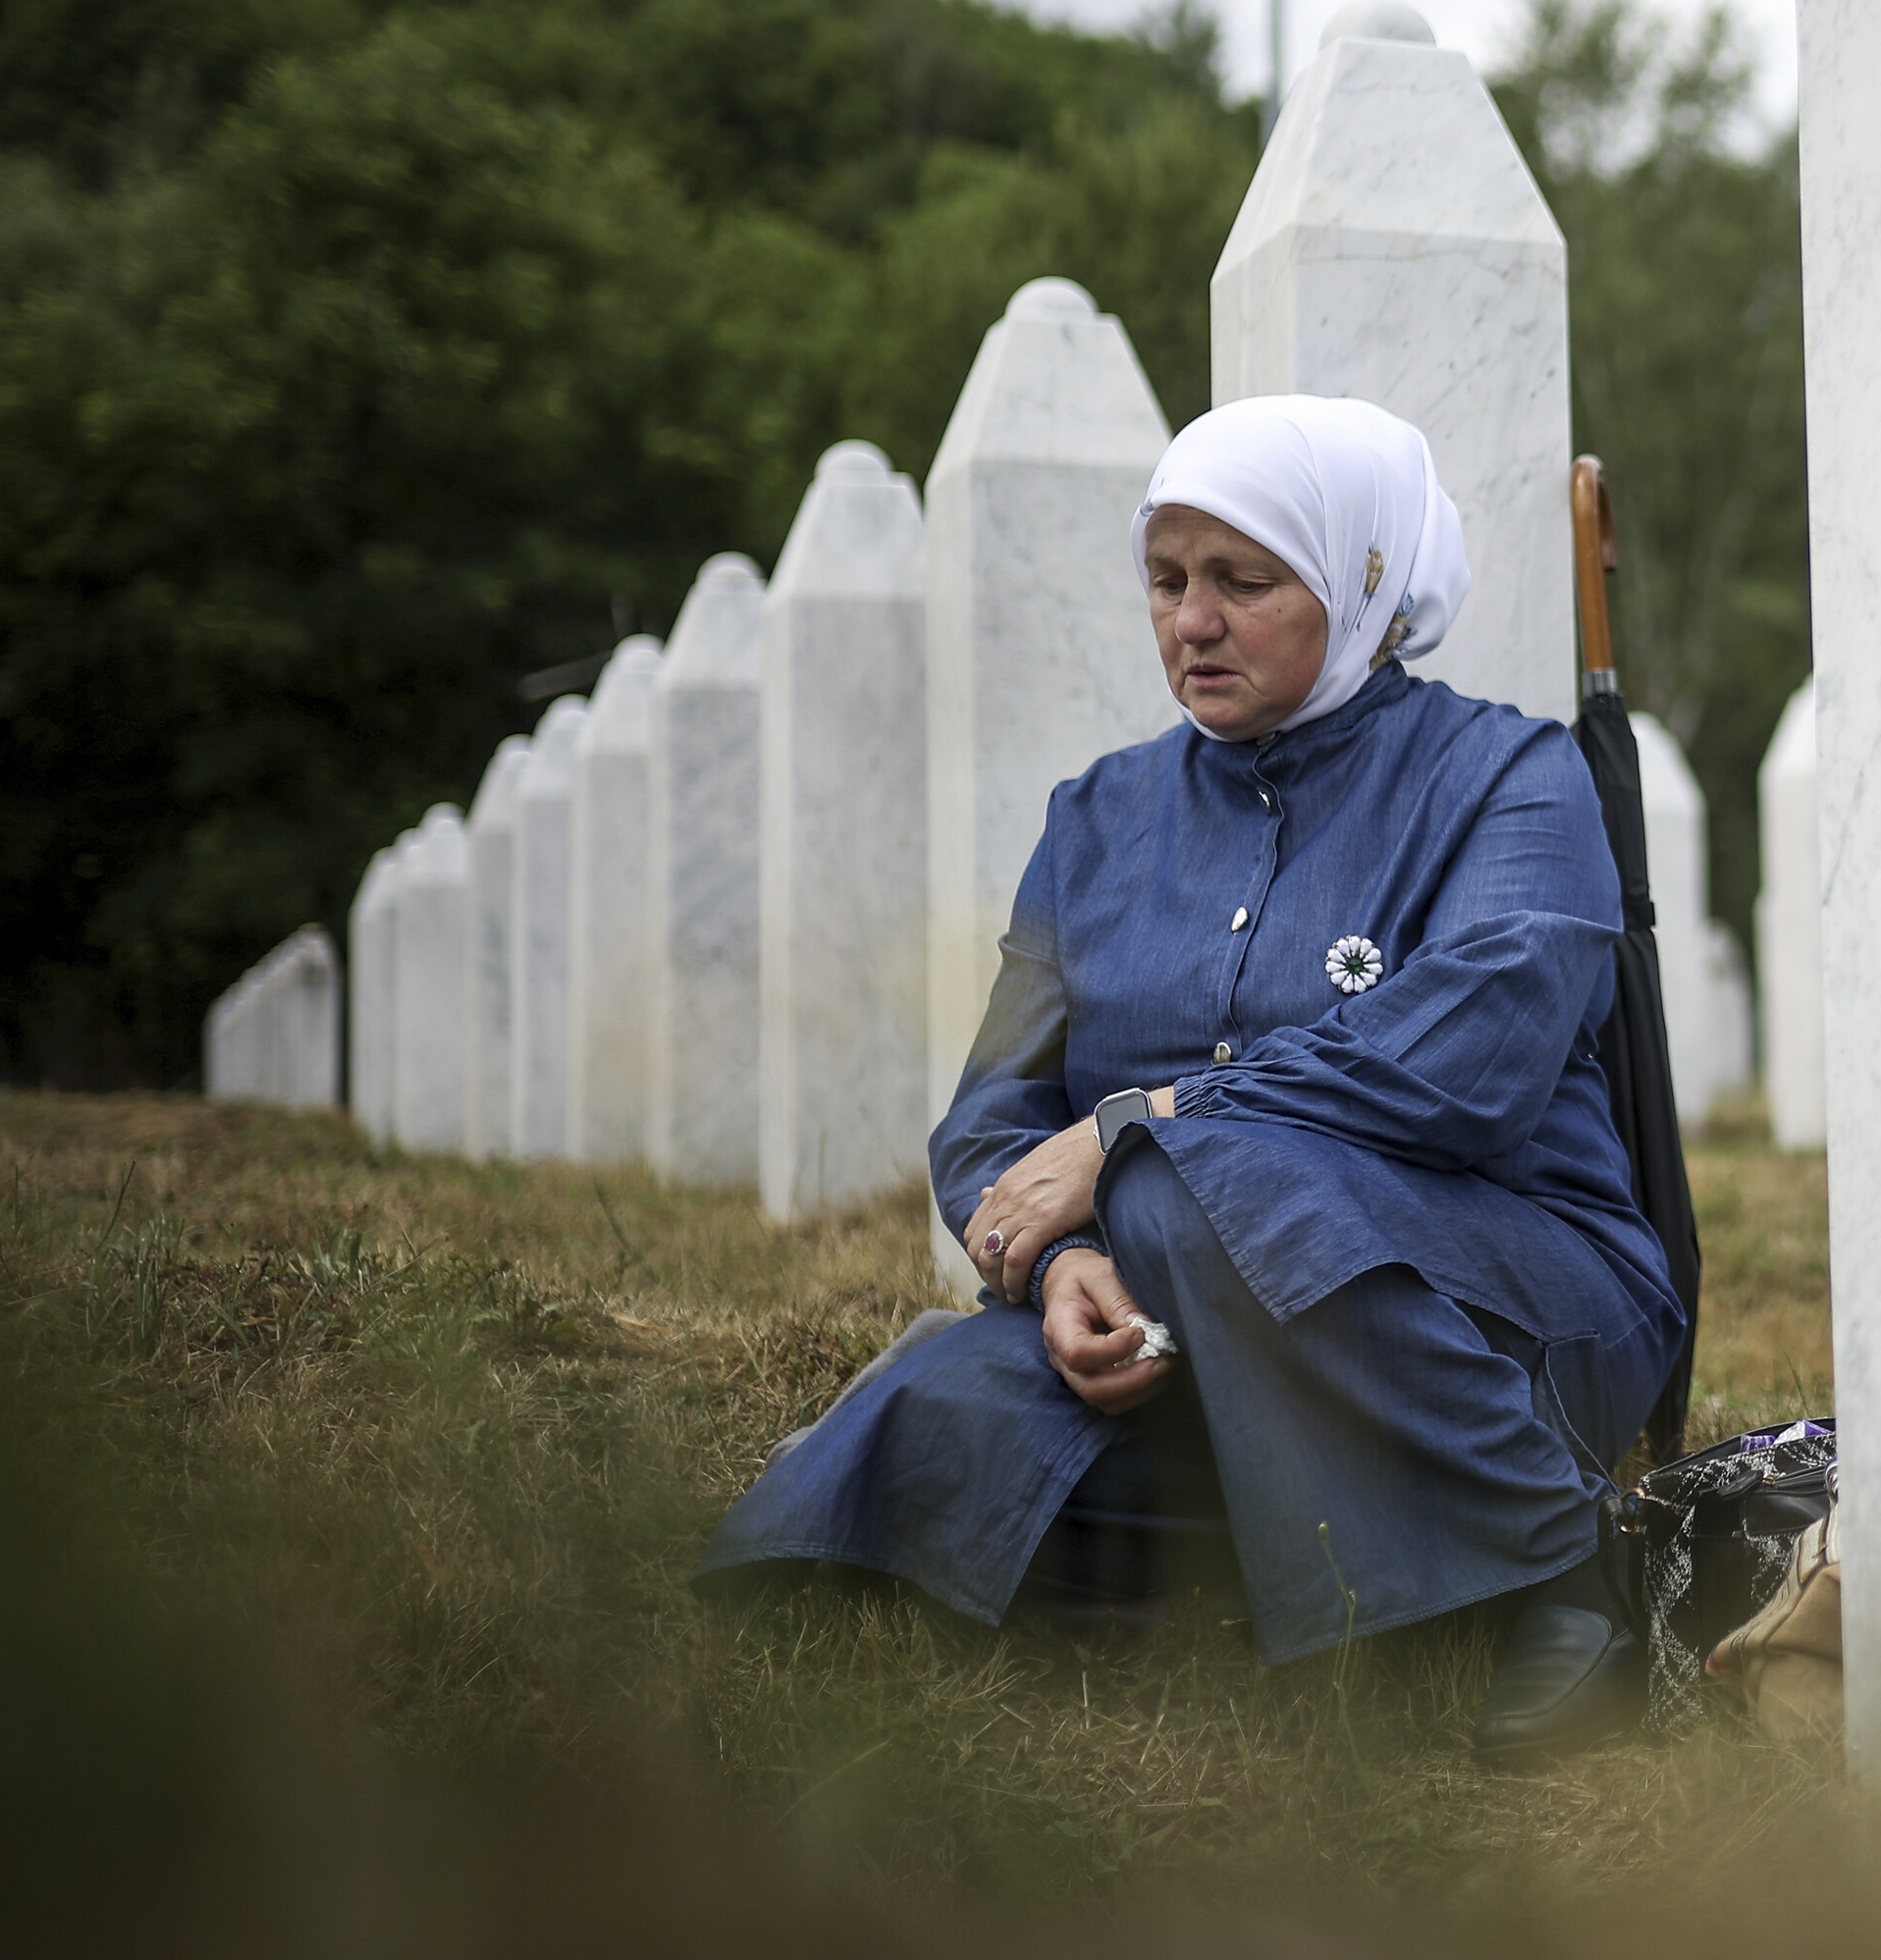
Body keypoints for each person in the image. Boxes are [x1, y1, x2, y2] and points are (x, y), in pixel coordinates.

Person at [698, 395, 1673, 1763]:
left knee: (1186, 1179)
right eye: (1166, 582)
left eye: (1243, 581)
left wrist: (1142, 1131)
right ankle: (1341, 1573)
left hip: (1506, 1302)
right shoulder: (1095, 816)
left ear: (1364, 581)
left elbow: (1480, 1058)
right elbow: (990, 1121)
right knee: (946, 1404)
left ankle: (1561, 1568)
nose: (1191, 624)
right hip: (1188, 1322)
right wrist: (1056, 1272)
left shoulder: (1509, 776)